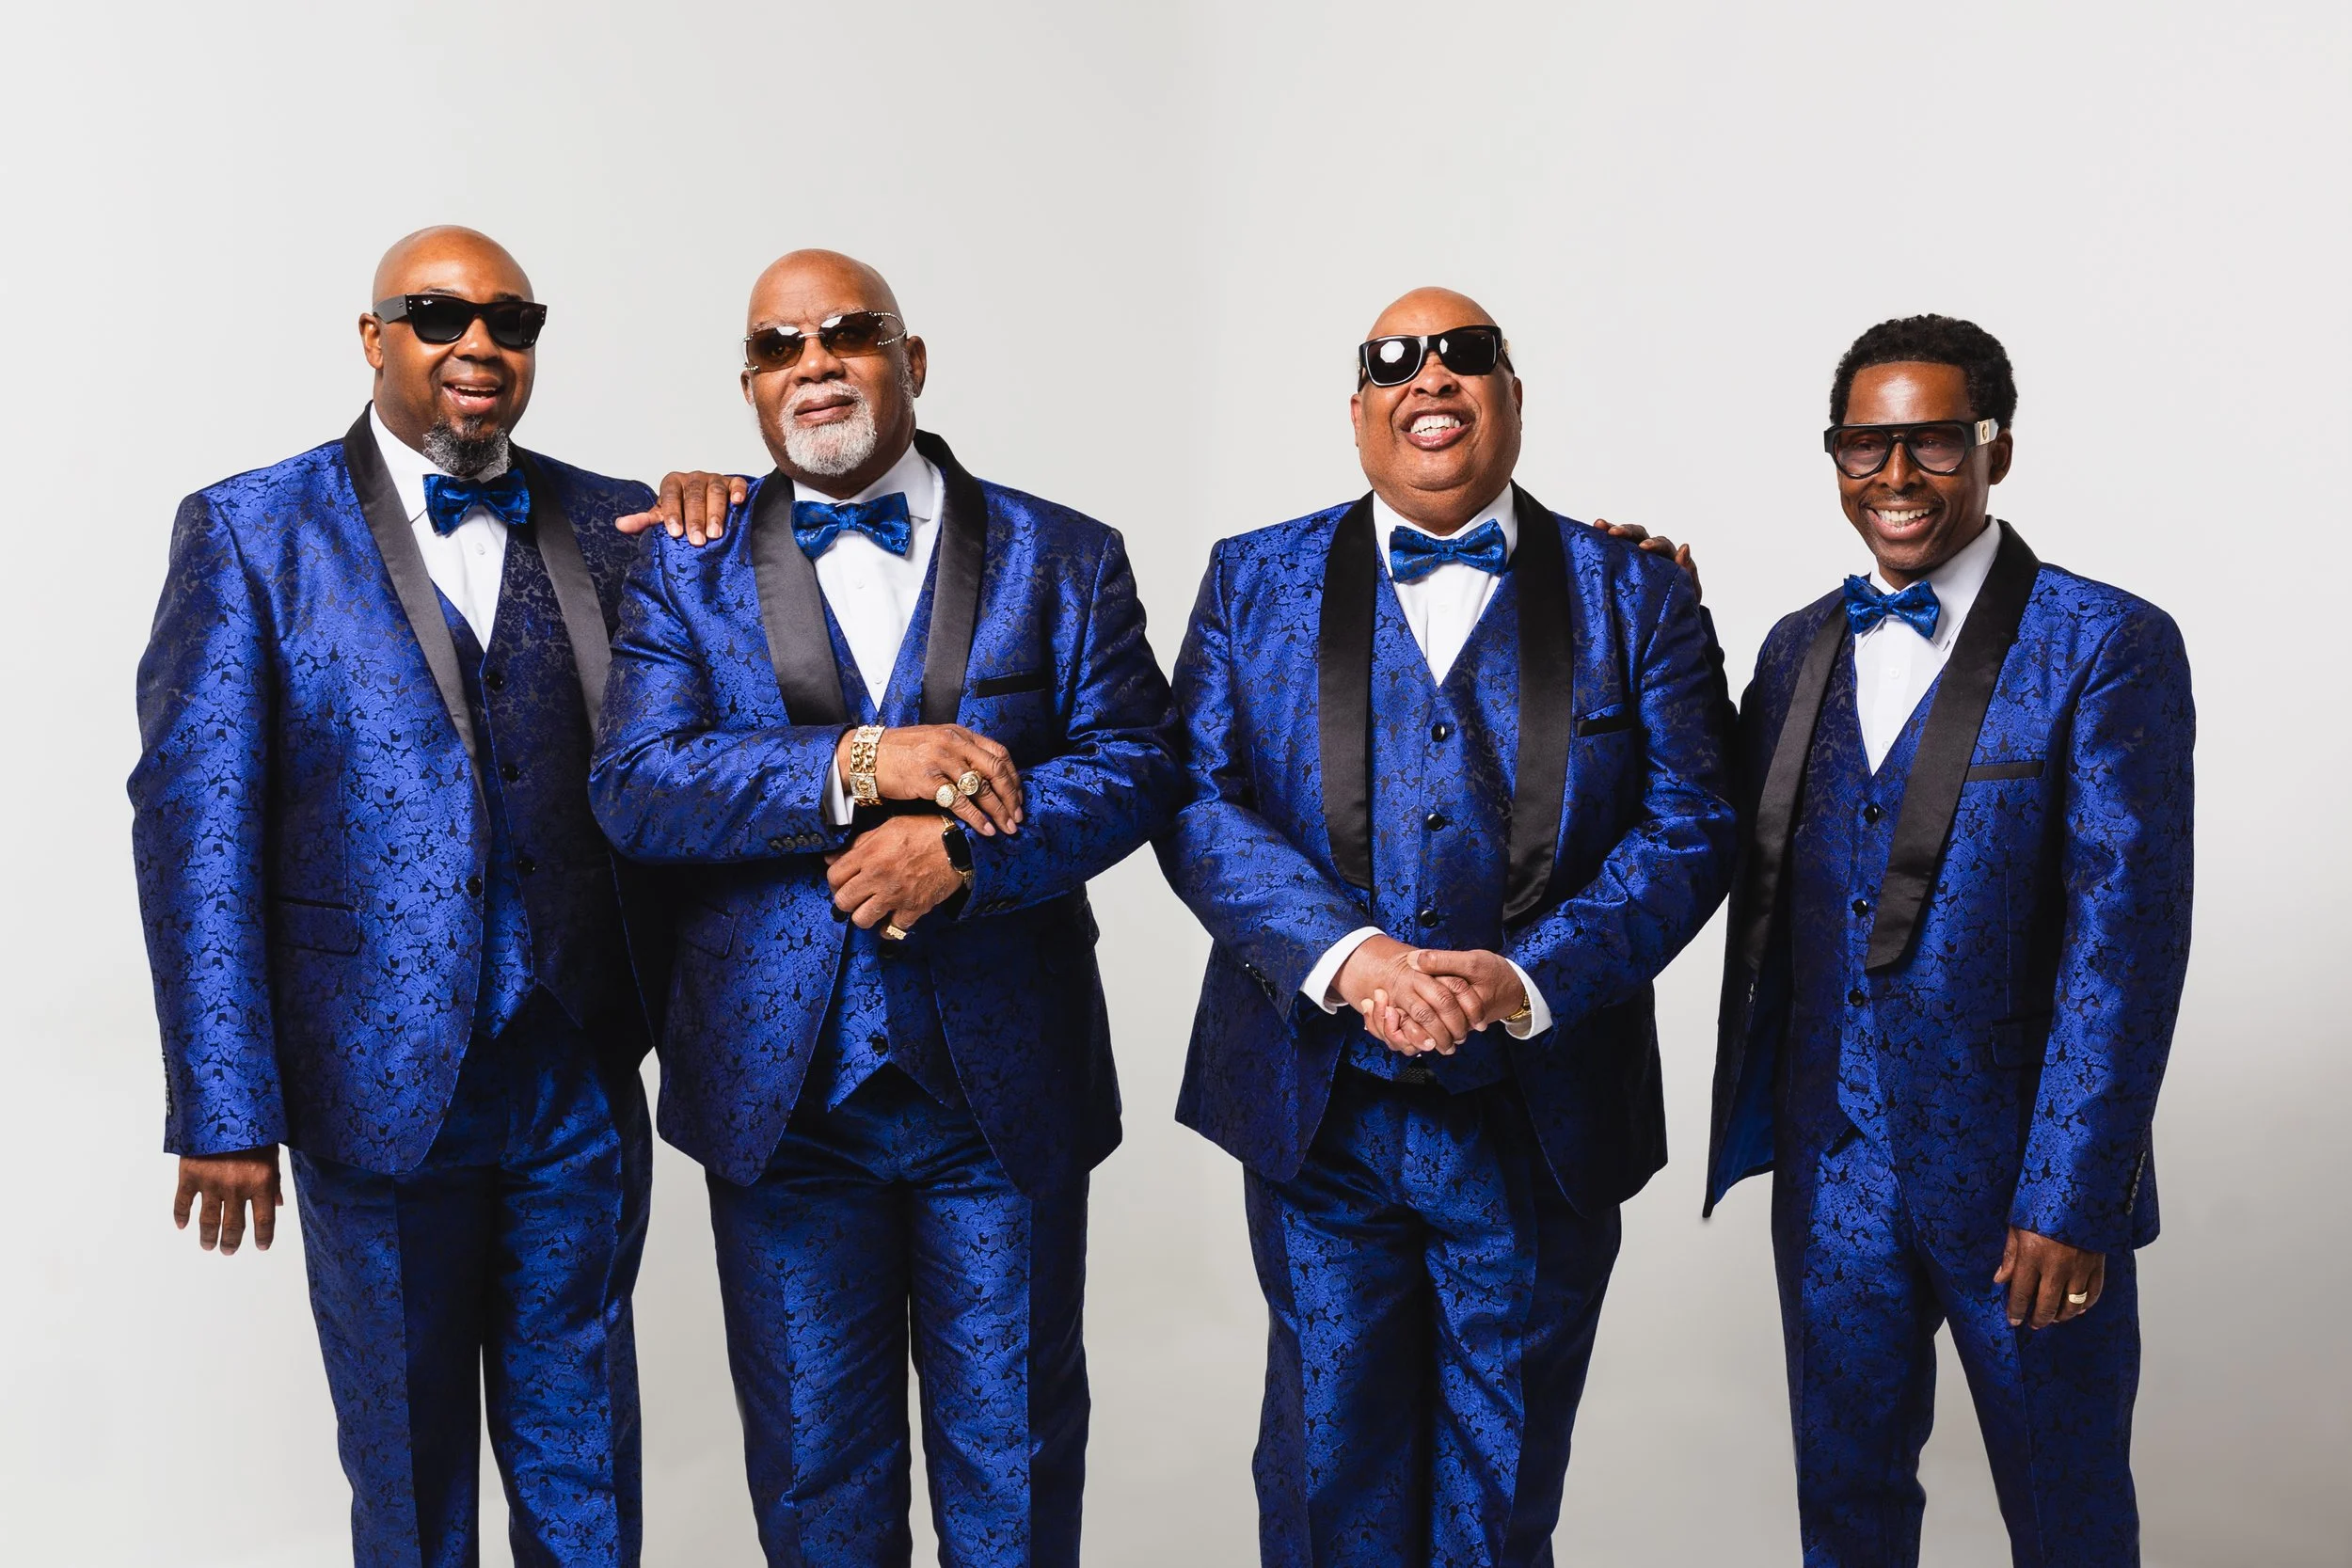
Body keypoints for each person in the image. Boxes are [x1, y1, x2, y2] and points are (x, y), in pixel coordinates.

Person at [589, 249, 1182, 1568]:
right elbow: (634, 787)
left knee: (1014, 1473)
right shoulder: (685, 567)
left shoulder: (1065, 555)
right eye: (781, 345)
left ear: (910, 363)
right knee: (815, 1483)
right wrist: (861, 763)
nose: (816, 363)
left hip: (1003, 1090)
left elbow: (1141, 763)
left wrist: (972, 856)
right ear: (752, 387)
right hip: (780, 1103)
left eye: (849, 334)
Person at [1155, 287, 1737, 1566]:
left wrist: (1527, 978)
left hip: (1543, 1114)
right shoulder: (1251, 578)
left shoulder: (1637, 593)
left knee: (1504, 1481)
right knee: (1327, 1465)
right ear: (1358, 410)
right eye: (1395, 361)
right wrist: (1351, 960)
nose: (1432, 378)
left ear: (1513, 398)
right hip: (1320, 1114)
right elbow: (1193, 799)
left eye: (1466, 356)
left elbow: (1697, 822)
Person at [129, 227, 668, 1565]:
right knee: (409, 1481)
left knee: (586, 1467)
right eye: (437, 314)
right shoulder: (251, 529)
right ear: (374, 339)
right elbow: (195, 827)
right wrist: (224, 1102)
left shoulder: (618, 522)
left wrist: (727, 501)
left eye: (510, 318)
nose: (478, 344)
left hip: (581, 1075)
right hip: (372, 1084)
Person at [1703, 315, 2194, 1566]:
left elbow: (2122, 943)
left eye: (1932, 439)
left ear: (1998, 449)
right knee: (1848, 1506)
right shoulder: (1796, 643)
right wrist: (1636, 605)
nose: (1897, 474)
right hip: (1834, 1171)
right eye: (1866, 442)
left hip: (2024, 1185)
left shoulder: (2107, 644)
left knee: (2067, 1510)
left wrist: (2074, 1198)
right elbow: (1715, 825)